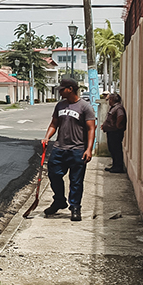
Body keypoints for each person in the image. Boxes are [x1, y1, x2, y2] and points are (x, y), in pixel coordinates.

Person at [42, 77, 96, 221]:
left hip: (77, 149)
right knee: (54, 175)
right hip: (59, 148)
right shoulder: (60, 106)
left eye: (62, 89)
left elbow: (91, 129)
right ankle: (59, 200)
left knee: (76, 180)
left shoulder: (85, 107)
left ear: (70, 89)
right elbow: (54, 124)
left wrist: (89, 149)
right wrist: (47, 137)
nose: (60, 92)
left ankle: (75, 207)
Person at [101, 92, 127, 173]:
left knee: (116, 149)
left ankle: (118, 167)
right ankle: (115, 165)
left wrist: (118, 124)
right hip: (111, 132)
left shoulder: (118, 108)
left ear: (112, 100)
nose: (108, 101)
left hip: (115, 133)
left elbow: (121, 115)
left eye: (109, 99)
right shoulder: (114, 107)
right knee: (112, 149)